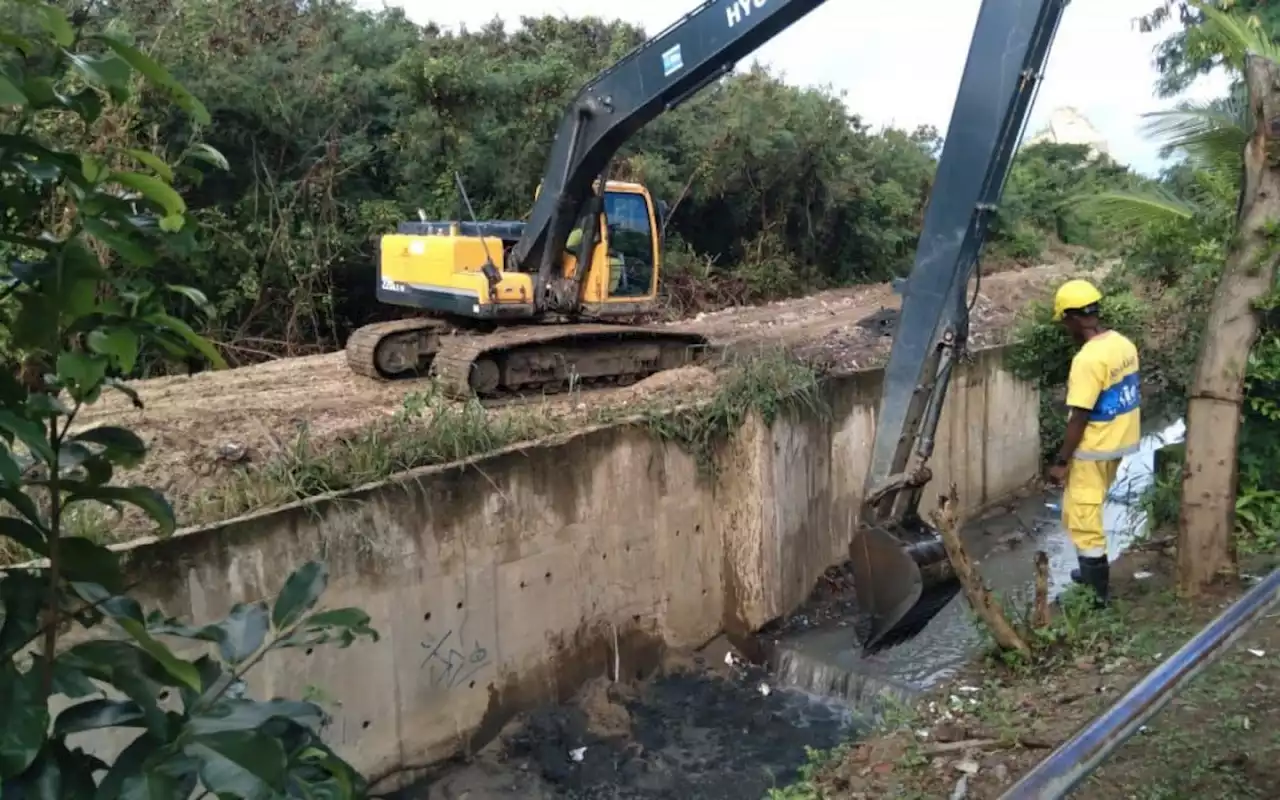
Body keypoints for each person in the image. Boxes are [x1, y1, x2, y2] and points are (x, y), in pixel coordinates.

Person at [1046, 279, 1141, 608]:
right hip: (1119, 444)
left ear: (1072, 318)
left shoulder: (1087, 360)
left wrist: (1060, 461)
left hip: (1093, 449)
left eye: (1065, 322)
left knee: (1084, 520)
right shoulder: (1123, 344)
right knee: (1077, 510)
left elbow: (1079, 417)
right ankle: (1088, 575)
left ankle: (1096, 596)